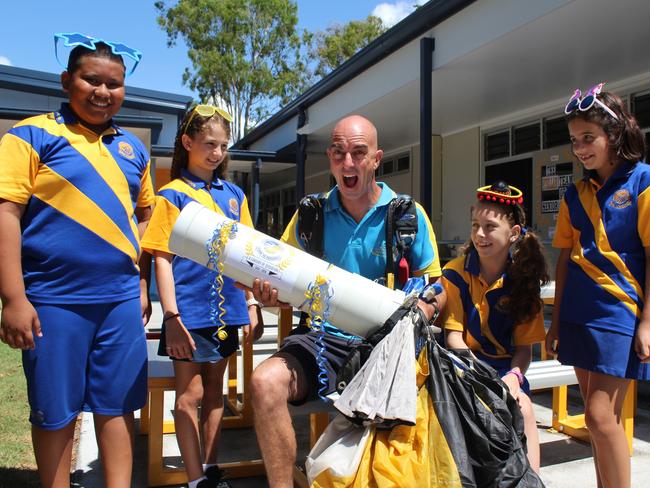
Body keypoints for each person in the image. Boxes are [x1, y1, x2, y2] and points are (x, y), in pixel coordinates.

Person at [247, 114, 445, 488]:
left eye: (358, 152)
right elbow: (280, 279)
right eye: (338, 153)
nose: (348, 163)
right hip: (322, 341)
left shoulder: (406, 215)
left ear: (376, 159)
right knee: (263, 382)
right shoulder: (312, 214)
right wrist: (270, 297)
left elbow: (438, 286)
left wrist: (424, 309)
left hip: (387, 346)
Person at [0, 35, 153, 488]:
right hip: (53, 302)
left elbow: (143, 216)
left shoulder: (134, 150)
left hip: (120, 304)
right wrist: (13, 296)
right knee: (54, 410)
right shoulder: (30, 136)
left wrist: (138, 281)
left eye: (115, 84)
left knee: (118, 406)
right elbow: (6, 212)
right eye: (92, 80)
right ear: (68, 81)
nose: (103, 92)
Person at [141, 104, 263, 488]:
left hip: (227, 314)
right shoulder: (171, 195)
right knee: (187, 396)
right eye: (209, 143)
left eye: (223, 145)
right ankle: (195, 480)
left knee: (215, 395)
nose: (217, 153)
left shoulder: (234, 195)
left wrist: (252, 304)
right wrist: (172, 319)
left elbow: (248, 256)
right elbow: (160, 258)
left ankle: (210, 471)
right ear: (187, 142)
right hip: (188, 316)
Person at [545, 83, 650, 488]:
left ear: (615, 135)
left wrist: (646, 323)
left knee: (599, 416)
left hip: (619, 312)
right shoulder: (575, 193)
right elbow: (566, 259)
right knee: (596, 419)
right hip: (577, 313)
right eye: (574, 141)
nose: (581, 148)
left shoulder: (642, 181)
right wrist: (555, 324)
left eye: (589, 138)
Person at [441, 181, 548, 473]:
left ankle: (531, 480)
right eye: (475, 225)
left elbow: (524, 350)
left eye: (489, 227)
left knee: (523, 408)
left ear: (513, 234)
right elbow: (453, 337)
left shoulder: (524, 281)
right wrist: (480, 377)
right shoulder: (454, 273)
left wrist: (514, 377)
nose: (479, 234)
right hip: (463, 367)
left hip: (505, 371)